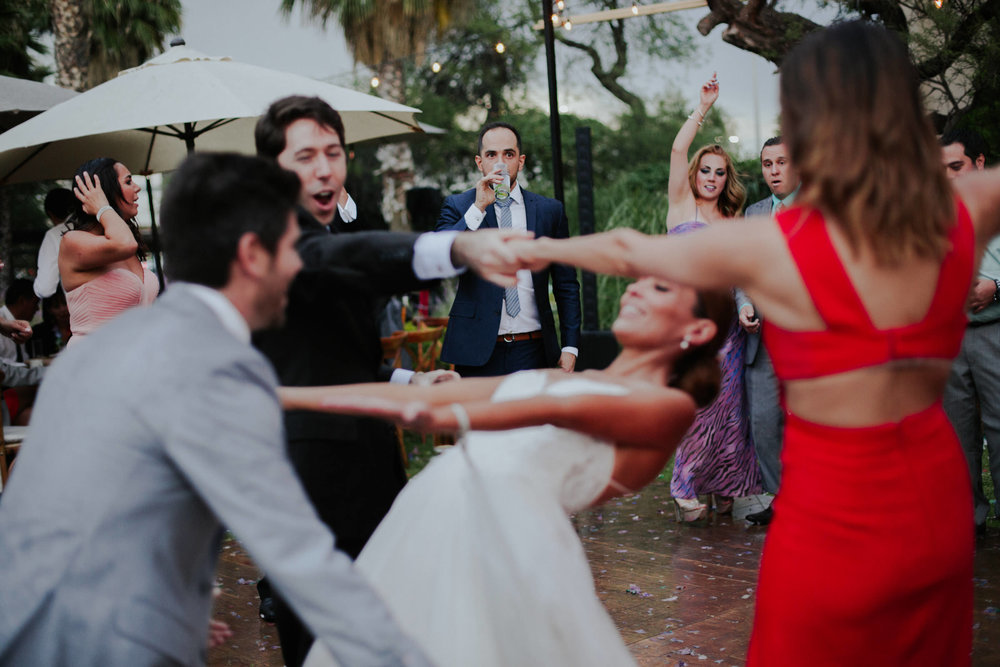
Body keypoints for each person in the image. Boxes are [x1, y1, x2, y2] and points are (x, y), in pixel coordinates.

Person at [510, 21, 1000, 665]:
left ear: (804, 124)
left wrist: (526, 246)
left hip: (835, 509)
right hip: (934, 506)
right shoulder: (962, 205)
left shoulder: (779, 240)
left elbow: (629, 249)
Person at [0, 152, 435, 667]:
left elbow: (93, 503)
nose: (302, 266)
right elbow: (299, 555)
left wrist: (165, 598)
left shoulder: (103, 354)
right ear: (253, 253)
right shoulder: (214, 370)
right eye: (292, 247)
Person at [281, 277, 732, 667]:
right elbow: (451, 395)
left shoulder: (667, 406)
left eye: (659, 286)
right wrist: (288, 396)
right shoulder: (570, 379)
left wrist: (450, 415)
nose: (634, 285)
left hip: (506, 552)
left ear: (697, 328)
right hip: (432, 525)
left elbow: (552, 408)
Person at [252, 95, 526, 667]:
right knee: (321, 648)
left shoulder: (320, 235)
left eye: (334, 153)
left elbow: (336, 359)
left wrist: (409, 380)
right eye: (306, 156)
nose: (326, 169)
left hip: (369, 469)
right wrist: (458, 245)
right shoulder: (272, 239)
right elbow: (349, 257)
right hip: (308, 483)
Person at [664, 74, 756, 522]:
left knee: (730, 412)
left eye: (721, 173)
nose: (713, 179)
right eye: (707, 170)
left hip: (731, 331)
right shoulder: (681, 206)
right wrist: (702, 108)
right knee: (699, 406)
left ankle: (725, 483)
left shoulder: (733, 220)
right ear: (695, 173)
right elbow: (678, 150)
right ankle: (682, 487)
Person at [435, 121, 581, 377]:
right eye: (492, 155)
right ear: (480, 163)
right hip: (477, 350)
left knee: (533, 418)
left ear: (520, 161)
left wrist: (570, 346)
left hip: (534, 348)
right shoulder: (460, 206)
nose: (500, 162)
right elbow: (439, 255)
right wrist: (478, 207)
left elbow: (566, 283)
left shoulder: (549, 211)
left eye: (508, 154)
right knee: (480, 418)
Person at [737, 136, 799, 526]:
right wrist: (743, 303)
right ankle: (782, 499)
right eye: (767, 164)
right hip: (761, 337)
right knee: (764, 422)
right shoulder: (754, 214)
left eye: (782, 162)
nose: (774, 171)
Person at [940, 127, 997, 536]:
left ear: (978, 163)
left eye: (956, 167)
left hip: (996, 330)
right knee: (955, 436)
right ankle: (968, 522)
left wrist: (998, 285)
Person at [59, 158, 159, 343]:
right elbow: (125, 244)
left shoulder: (124, 241)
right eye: (128, 181)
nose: (137, 187)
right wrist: (102, 207)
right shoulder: (73, 242)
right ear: (105, 191)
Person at [33, 187, 76, 299]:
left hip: (87, 310)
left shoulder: (55, 235)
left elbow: (45, 288)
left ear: (50, 214)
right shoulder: (101, 223)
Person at [0, 279, 39, 363]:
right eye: (35, 303)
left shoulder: (19, 326)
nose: (37, 309)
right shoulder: (2, 323)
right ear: (22, 301)